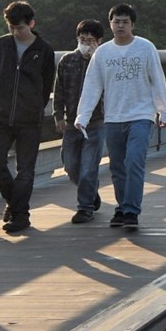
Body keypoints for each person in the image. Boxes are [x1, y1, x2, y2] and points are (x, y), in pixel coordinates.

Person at [75, 4, 166, 233]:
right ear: (110, 24)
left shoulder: (145, 48)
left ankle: (131, 212)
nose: (120, 26)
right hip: (114, 116)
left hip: (141, 114)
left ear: (132, 25)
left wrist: (163, 110)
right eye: (116, 21)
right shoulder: (103, 53)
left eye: (125, 22)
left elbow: (157, 79)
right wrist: (83, 115)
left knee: (134, 161)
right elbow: (92, 86)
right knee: (117, 167)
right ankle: (122, 206)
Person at [0, 0, 56, 235]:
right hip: (1, 116)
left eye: (20, 28)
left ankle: (20, 215)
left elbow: (46, 84)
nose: (16, 32)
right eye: (12, 27)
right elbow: (0, 73)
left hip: (29, 119)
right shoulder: (1, 45)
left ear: (32, 24)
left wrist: (36, 107)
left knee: (25, 170)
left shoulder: (44, 49)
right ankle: (16, 205)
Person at [53, 18, 106, 223]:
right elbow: (59, 91)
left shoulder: (103, 60)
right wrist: (58, 115)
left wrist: (95, 59)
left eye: (90, 40)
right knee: (70, 165)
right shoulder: (67, 60)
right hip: (72, 123)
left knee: (88, 168)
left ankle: (85, 208)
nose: (85, 43)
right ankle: (91, 191)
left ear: (99, 41)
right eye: (82, 39)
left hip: (96, 123)